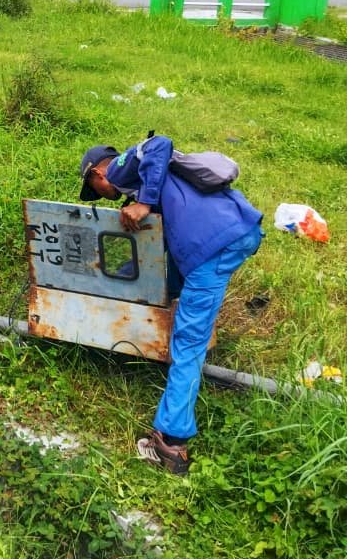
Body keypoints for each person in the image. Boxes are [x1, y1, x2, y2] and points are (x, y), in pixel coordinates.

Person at [79, 135, 263, 474]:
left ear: (97, 173)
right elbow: (158, 250)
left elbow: (159, 143)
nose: (102, 195)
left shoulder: (120, 170)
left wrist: (145, 203)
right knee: (176, 291)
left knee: (189, 345)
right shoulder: (152, 181)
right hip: (233, 229)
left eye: (94, 188)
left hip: (214, 245)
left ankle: (171, 441)